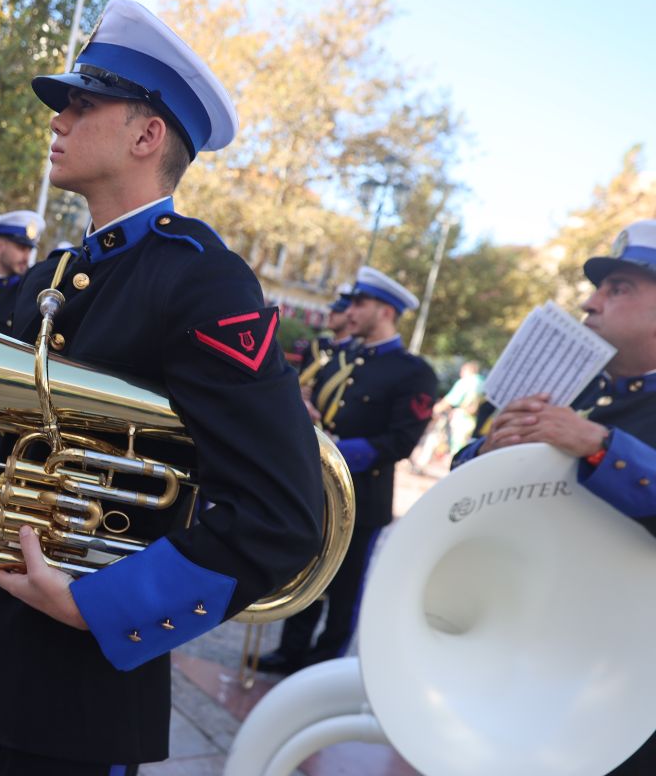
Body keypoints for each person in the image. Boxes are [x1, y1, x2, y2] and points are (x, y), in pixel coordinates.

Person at [0, 0, 324, 773]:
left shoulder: (205, 283)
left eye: (82, 103)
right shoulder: (48, 278)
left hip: (84, 681)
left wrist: (95, 605)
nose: (57, 119)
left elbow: (280, 516)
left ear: (147, 135)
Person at [452, 220, 656, 775]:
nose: (590, 302)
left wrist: (599, 445)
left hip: (620, 679)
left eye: (619, 288)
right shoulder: (569, 381)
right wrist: (487, 450)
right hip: (521, 634)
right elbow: (460, 473)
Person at [259, 266, 437, 675]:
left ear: (387, 311)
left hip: (363, 497)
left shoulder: (413, 372)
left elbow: (401, 440)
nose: (350, 311)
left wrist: (337, 453)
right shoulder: (341, 357)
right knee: (306, 573)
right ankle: (290, 652)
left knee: (345, 589)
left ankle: (321, 665)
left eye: (360, 303)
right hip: (315, 488)